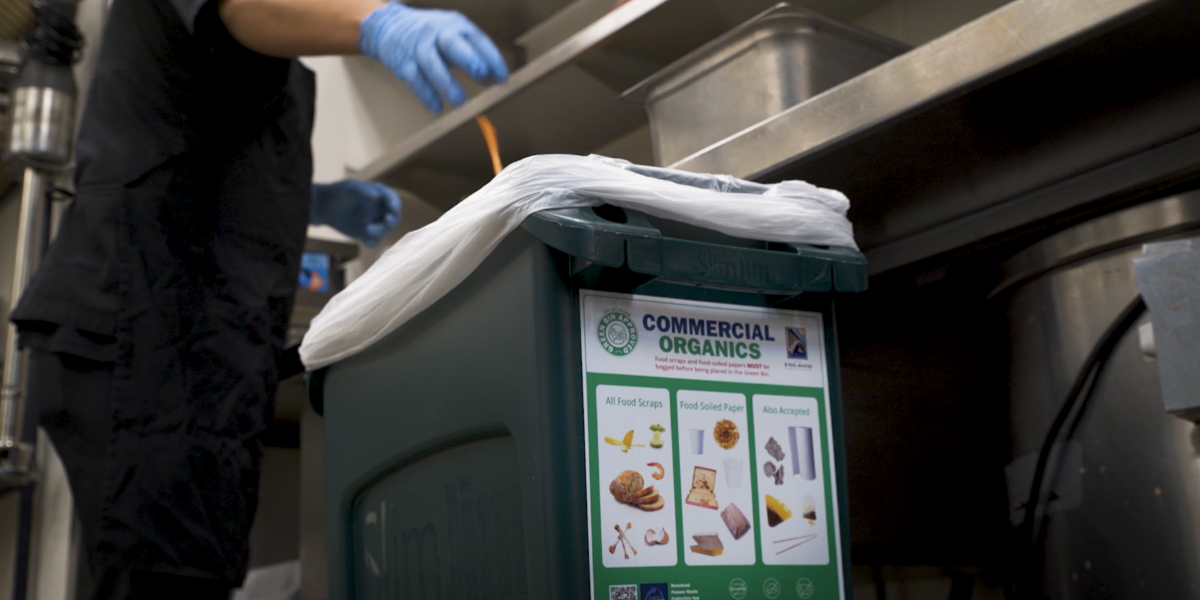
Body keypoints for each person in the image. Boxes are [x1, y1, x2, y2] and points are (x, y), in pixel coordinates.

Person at [9, 0, 508, 598]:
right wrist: (377, 22)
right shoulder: (253, 12)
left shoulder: (269, 44)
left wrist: (315, 200)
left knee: (190, 572)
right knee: (169, 578)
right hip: (146, 331)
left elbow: (198, 140)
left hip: (189, 347)